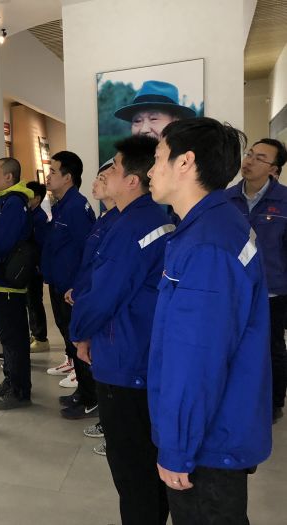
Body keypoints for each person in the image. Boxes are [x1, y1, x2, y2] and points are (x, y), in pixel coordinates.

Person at [147, 118, 272, 525]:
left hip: (208, 443)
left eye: (157, 158)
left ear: (185, 162)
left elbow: (196, 360)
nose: (150, 171)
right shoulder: (213, 226)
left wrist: (177, 448)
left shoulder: (208, 245)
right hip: (215, 428)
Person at [70, 134, 174, 524]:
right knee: (144, 463)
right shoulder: (144, 218)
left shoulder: (133, 226)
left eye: (113, 166)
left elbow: (104, 294)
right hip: (138, 350)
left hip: (125, 359)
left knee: (133, 469)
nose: (107, 172)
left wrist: (80, 332)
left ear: (132, 179)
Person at [226, 138, 287, 424]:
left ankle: (274, 403)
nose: (248, 161)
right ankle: (240, 399)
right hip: (232, 292)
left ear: (274, 169)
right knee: (235, 347)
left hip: (272, 293)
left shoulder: (284, 201)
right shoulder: (227, 199)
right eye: (249, 154)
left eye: (259, 157)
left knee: (272, 349)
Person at [64, 159, 120, 456]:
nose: (96, 183)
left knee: (107, 373)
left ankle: (113, 428)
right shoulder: (105, 217)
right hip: (86, 296)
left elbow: (106, 275)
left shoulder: (121, 222)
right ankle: (108, 422)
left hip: (99, 305)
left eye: (104, 177)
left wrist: (84, 294)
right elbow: (90, 262)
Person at [41, 151, 96, 406]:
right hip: (59, 285)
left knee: (78, 342)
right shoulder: (61, 205)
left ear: (68, 177)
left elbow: (88, 250)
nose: (48, 176)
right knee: (70, 339)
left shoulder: (75, 208)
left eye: (53, 172)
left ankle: (89, 397)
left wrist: (78, 287)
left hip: (71, 291)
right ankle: (83, 391)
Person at [0, 157, 35, 410]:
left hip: (8, 281)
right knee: (6, 337)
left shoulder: (13, 203)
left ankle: (20, 391)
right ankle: (11, 379)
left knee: (14, 339)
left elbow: (2, 242)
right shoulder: (3, 201)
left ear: (9, 177)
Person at [114, 80, 196, 139]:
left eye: (153, 119)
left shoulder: (191, 157)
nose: (144, 130)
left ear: (176, 122)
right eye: (137, 121)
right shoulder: (120, 158)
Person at [25, 180, 50, 353]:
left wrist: (38, 266)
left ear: (37, 198)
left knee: (34, 302)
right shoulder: (29, 215)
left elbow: (40, 245)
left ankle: (41, 337)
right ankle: (35, 334)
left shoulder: (39, 218)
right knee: (30, 302)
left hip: (35, 267)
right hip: (30, 266)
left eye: (29, 195)